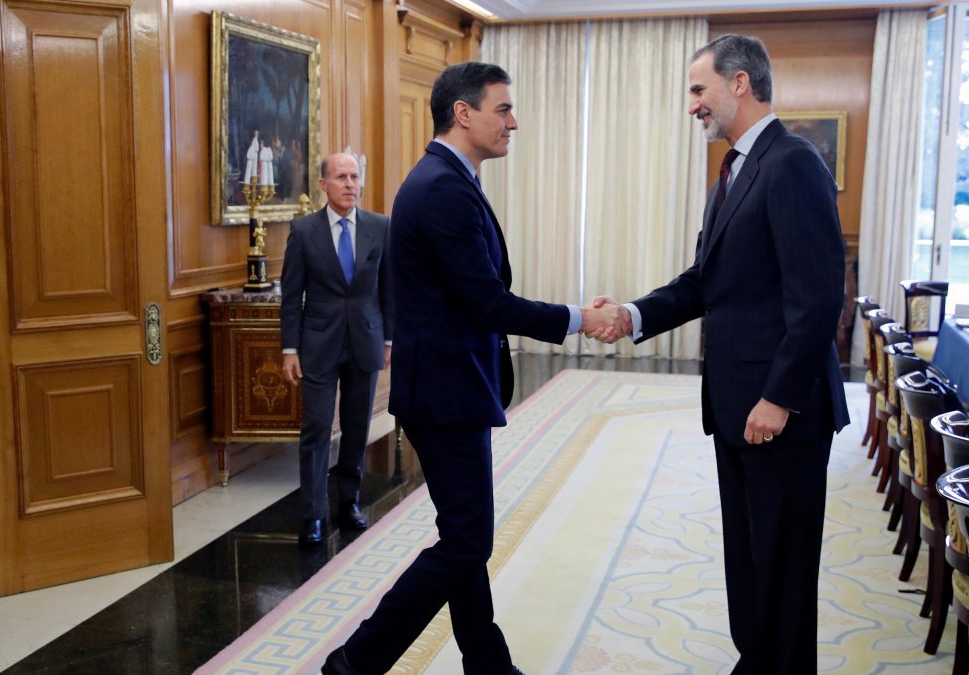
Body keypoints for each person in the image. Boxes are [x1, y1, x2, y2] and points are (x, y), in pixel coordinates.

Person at [321, 62, 622, 675]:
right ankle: (353, 664)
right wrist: (580, 318)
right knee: (466, 542)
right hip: (444, 392)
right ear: (463, 112)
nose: (514, 122)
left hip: (449, 386)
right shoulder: (440, 187)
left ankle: (487, 664)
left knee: (464, 535)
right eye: (503, 109)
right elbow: (489, 302)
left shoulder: (450, 178)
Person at [589, 34, 850, 674]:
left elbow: (819, 299)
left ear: (739, 83)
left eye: (698, 89)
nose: (692, 105)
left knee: (782, 571)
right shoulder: (734, 171)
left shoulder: (792, 163)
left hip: (779, 415)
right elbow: (706, 282)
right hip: (736, 406)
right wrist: (632, 315)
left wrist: (778, 398)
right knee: (750, 559)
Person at [280, 152, 392, 544]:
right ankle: (313, 515)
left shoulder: (380, 226)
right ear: (324, 185)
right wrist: (289, 350)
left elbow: (389, 288)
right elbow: (291, 296)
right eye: (341, 177)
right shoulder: (303, 231)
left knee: (358, 427)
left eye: (354, 177)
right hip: (318, 344)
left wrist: (389, 340)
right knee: (316, 427)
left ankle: (350, 502)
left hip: (366, 340)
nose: (349, 184)